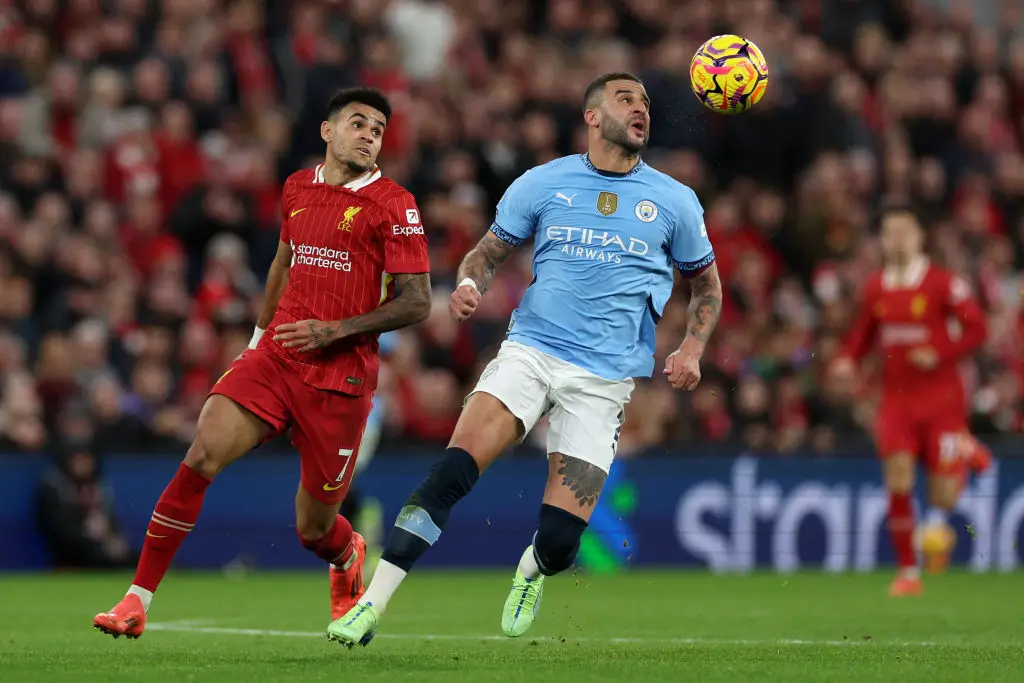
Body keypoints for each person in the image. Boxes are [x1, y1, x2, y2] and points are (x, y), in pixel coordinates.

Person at [327, 72, 722, 647]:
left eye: (644, 102)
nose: (641, 109)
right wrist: (468, 283)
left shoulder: (674, 200)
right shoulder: (544, 183)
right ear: (591, 115)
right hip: (531, 353)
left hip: (604, 380)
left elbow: (706, 286)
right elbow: (487, 253)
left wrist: (693, 346)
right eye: (625, 99)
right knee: (451, 474)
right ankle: (370, 606)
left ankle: (532, 568)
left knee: (562, 542)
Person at [93, 87, 432, 639]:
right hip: (277, 357)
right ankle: (136, 600)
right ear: (327, 131)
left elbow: (419, 301)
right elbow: (282, 261)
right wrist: (256, 339)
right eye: (358, 123)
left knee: (313, 529)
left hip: (341, 378)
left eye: (378, 129)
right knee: (202, 452)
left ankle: (346, 553)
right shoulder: (297, 187)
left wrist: (336, 330)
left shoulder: (395, 203)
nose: (370, 135)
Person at [831, 205, 989, 596]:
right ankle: (908, 572)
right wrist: (847, 360)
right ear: (883, 241)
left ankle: (965, 448)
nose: (897, 239)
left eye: (904, 231)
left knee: (943, 495)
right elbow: (862, 335)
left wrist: (939, 350)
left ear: (919, 238)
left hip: (942, 402)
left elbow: (977, 330)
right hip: (897, 403)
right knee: (898, 481)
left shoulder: (943, 283)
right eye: (890, 232)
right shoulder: (876, 287)